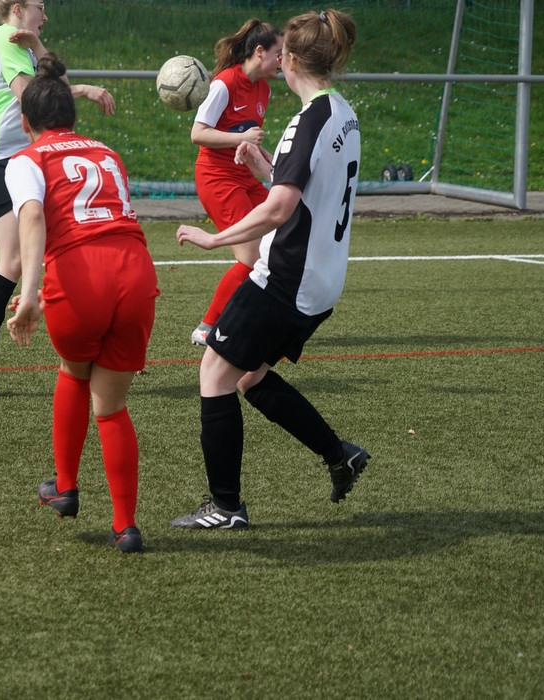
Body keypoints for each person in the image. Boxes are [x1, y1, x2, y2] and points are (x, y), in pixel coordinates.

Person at [172, 9, 369, 530]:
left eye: (282, 51)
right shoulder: (342, 112)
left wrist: (216, 237)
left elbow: (280, 209)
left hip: (287, 278)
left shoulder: (307, 122)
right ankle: (339, 454)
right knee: (250, 375)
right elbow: (307, 188)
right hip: (324, 281)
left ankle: (226, 507)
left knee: (214, 372)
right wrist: (265, 167)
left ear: (291, 60)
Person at [5, 54, 159, 553]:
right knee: (112, 408)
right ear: (73, 117)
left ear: (25, 122)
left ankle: (66, 488)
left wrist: (28, 295)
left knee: (74, 371)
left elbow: (32, 219)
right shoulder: (107, 151)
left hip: (81, 276)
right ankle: (126, 526)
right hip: (136, 273)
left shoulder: (27, 158)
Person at [0, 0, 116, 398]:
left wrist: (41, 49)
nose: (44, 16)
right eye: (39, 7)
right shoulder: (3, 38)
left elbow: (52, 91)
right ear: (16, 8)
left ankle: (86, 345)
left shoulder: (23, 45)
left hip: (28, 156)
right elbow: (35, 98)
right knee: (12, 259)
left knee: (64, 241)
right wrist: (86, 89)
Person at [189, 19, 283, 347]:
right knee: (250, 258)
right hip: (217, 179)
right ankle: (207, 327)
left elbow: (247, 142)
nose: (283, 62)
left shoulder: (264, 89)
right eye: (279, 54)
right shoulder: (224, 84)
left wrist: (269, 158)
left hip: (243, 176)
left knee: (281, 235)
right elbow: (197, 133)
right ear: (260, 52)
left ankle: (257, 317)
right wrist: (240, 136)